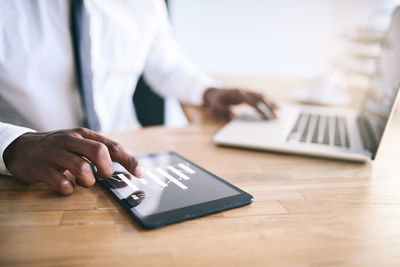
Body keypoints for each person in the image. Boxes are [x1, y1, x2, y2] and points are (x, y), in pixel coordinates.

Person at [0, 0, 277, 196]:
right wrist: (11, 144)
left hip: (130, 163)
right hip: (31, 177)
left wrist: (209, 91)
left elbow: (165, 64)